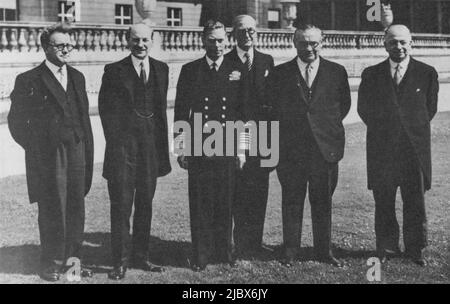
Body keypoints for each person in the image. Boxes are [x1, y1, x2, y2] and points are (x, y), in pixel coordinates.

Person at [8, 23, 94, 281]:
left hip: (77, 149)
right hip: (49, 156)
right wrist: (38, 148)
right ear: (46, 48)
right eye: (60, 45)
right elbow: (16, 122)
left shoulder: (77, 77)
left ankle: (73, 265)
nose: (66, 49)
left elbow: (84, 118)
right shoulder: (28, 80)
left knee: (76, 207)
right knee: (53, 208)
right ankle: (52, 264)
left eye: (69, 45)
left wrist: (87, 150)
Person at [270, 24, 351, 267]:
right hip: (291, 151)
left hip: (324, 150)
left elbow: (342, 107)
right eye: (303, 43)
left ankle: (323, 252)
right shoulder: (280, 73)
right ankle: (290, 251)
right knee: (292, 200)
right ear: (294, 44)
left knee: (323, 201)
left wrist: (324, 130)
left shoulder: (336, 71)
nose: (308, 48)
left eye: (313, 43)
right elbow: (273, 109)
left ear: (321, 43)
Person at [358, 24, 439, 266]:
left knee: (414, 200)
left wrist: (409, 130)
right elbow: (364, 109)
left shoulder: (427, 73)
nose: (399, 46)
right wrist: (388, 129)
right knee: (384, 200)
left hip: (414, 150)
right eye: (393, 42)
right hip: (382, 149)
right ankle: (387, 247)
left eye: (403, 42)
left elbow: (429, 110)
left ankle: (415, 249)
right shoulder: (371, 74)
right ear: (385, 44)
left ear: (411, 43)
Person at [174, 20, 249, 271]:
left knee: (225, 202)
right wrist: (181, 147)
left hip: (227, 145)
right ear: (203, 41)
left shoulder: (237, 68)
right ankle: (200, 255)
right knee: (200, 203)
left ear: (227, 40)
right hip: (199, 146)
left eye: (221, 40)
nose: (217, 45)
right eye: (212, 40)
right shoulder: (190, 70)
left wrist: (242, 148)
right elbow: (181, 113)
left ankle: (223, 252)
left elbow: (243, 112)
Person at [98, 23, 171, 280]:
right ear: (127, 40)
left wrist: (162, 150)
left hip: (150, 150)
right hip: (123, 151)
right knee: (121, 206)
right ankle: (119, 262)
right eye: (135, 39)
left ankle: (141, 257)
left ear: (153, 40)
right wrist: (119, 144)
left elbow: (161, 113)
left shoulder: (162, 70)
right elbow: (105, 112)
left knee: (145, 205)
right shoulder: (114, 70)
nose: (140, 44)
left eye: (145, 40)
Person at [225, 15, 274, 257]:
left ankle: (254, 242)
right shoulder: (226, 61)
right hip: (235, 136)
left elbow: (271, 103)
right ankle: (235, 244)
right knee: (236, 191)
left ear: (257, 32)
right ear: (234, 33)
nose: (247, 34)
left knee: (259, 190)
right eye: (242, 30)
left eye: (252, 30)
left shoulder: (267, 60)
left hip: (262, 136)